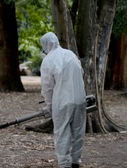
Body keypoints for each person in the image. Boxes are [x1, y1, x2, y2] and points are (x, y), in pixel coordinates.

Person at [39, 32, 87, 168]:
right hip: (79, 99)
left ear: (46, 44)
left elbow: (47, 86)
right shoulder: (71, 54)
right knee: (78, 132)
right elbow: (81, 73)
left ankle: (64, 163)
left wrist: (49, 104)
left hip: (62, 101)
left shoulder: (48, 60)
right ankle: (76, 161)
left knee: (62, 132)